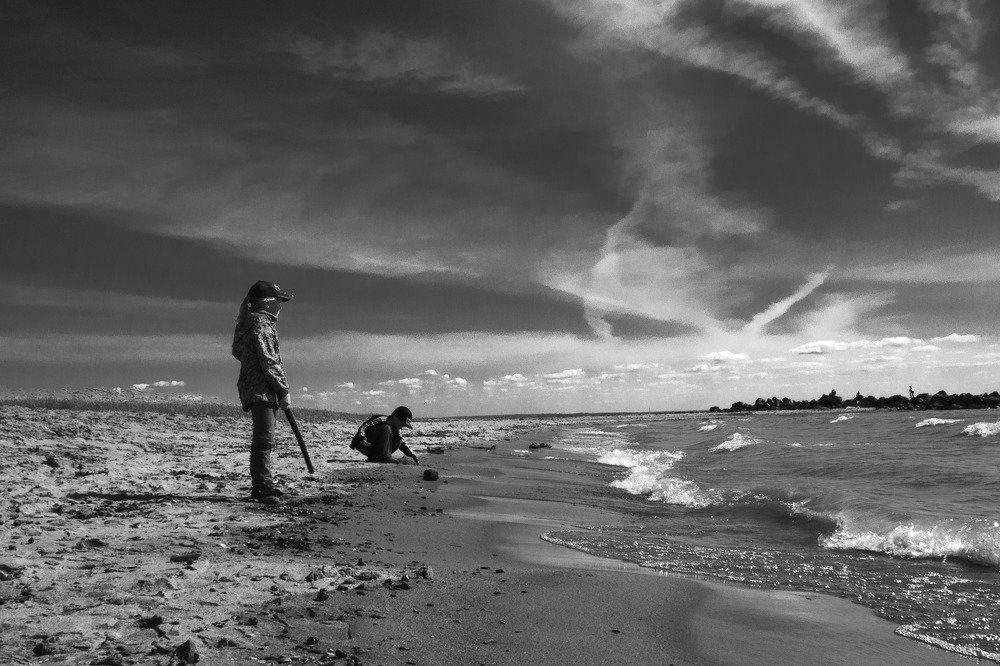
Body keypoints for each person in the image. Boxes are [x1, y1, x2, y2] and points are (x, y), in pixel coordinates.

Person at [232, 280, 294, 504]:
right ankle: (262, 487)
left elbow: (238, 352)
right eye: (279, 301)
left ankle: (264, 484)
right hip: (263, 389)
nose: (281, 306)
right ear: (268, 303)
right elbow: (270, 361)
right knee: (264, 439)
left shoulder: (247, 324)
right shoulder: (263, 324)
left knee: (263, 438)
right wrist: (283, 390)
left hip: (252, 386)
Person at [350, 406, 419, 464]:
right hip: (363, 444)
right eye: (402, 423)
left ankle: (377, 457)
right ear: (395, 418)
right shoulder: (381, 419)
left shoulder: (397, 429)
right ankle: (385, 458)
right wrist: (362, 438)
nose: (402, 426)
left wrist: (413, 456)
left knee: (399, 440)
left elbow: (403, 444)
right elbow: (363, 427)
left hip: (375, 449)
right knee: (386, 428)